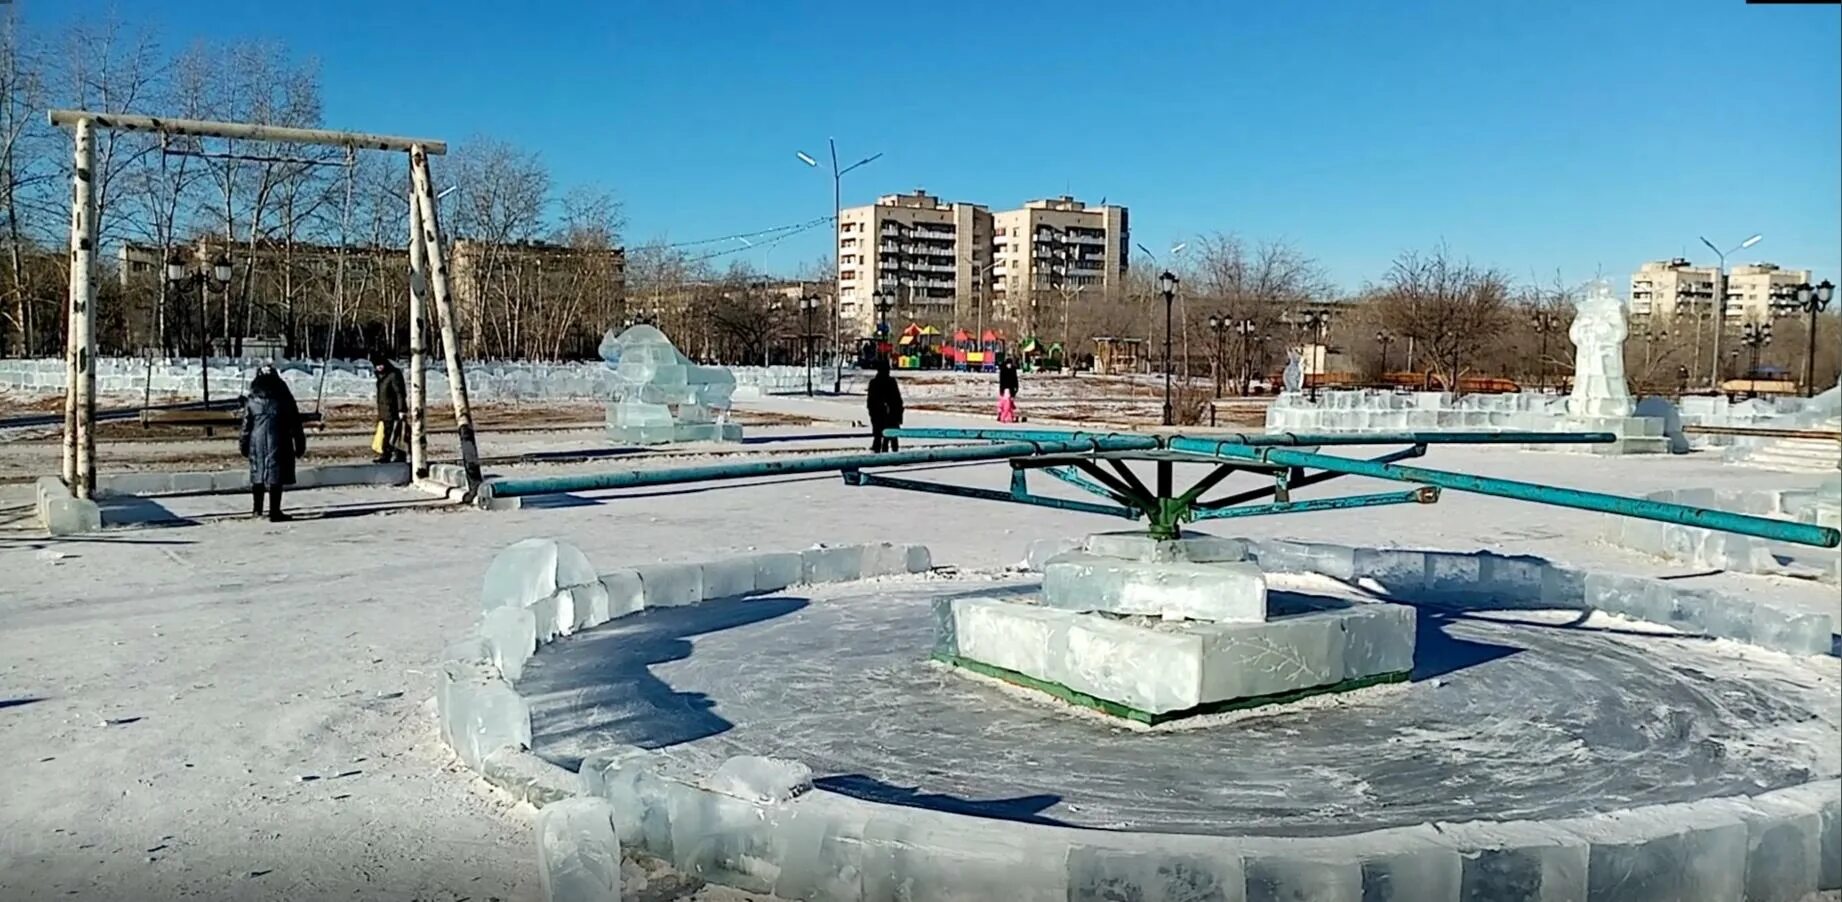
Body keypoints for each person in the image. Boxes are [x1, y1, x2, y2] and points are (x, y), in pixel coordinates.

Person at [239, 363, 306, 522]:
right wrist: (300, 443)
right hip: (280, 438)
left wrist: (244, 444)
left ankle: (257, 510)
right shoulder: (285, 398)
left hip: (257, 440)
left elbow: (246, 426)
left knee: (258, 474)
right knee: (276, 476)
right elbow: (295, 423)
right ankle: (275, 511)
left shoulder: (252, 399)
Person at [371, 351, 408, 464]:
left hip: (393, 411)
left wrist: (401, 409)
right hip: (384, 411)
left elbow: (400, 393)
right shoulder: (382, 377)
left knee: (393, 434)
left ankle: (390, 455)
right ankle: (389, 455)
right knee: (387, 434)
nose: (379, 367)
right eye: (377, 365)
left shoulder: (393, 375)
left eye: (380, 364)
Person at [866, 355, 904, 453]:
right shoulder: (890, 382)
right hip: (889, 414)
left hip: (880, 415)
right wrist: (899, 415)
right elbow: (897, 400)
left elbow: (870, 402)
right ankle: (892, 456)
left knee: (879, 437)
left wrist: (872, 413)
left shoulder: (874, 383)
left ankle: (878, 455)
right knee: (891, 437)